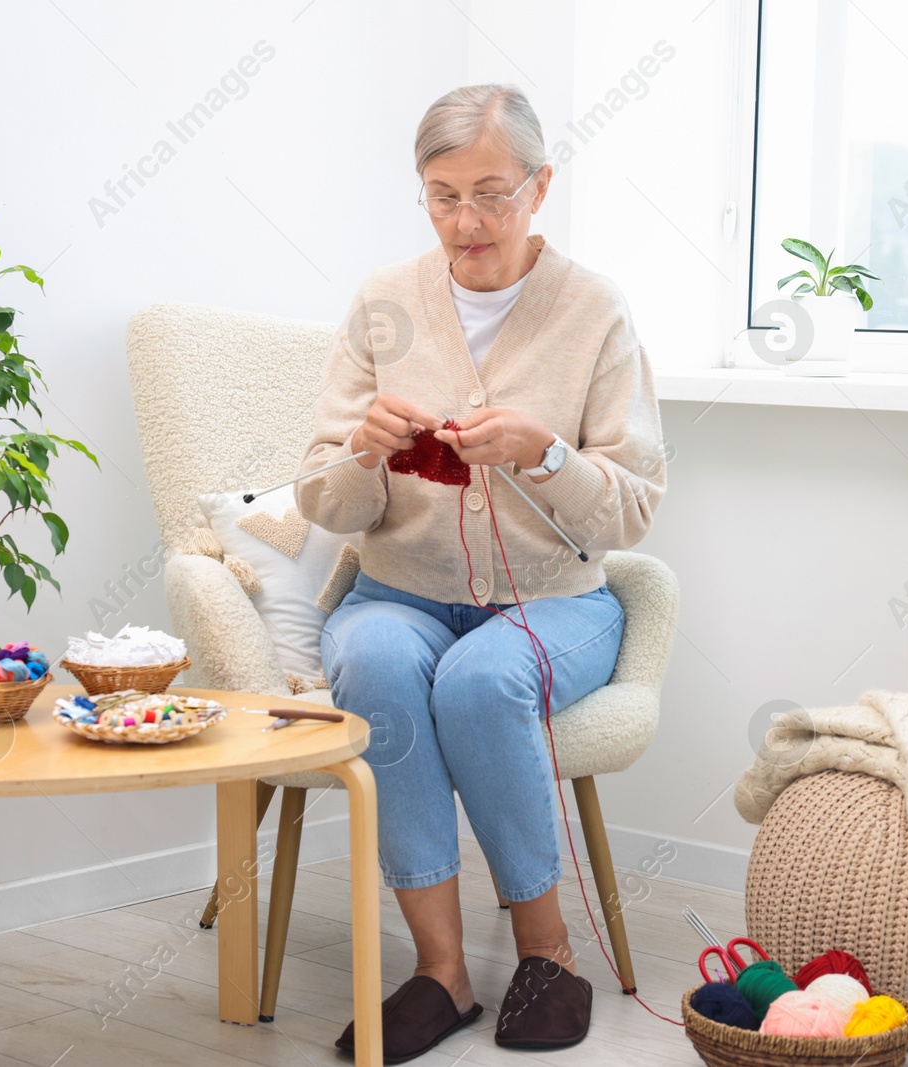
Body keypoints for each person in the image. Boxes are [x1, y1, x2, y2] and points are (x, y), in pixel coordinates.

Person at [295, 83, 666, 1062]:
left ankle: (549, 956)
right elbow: (323, 504)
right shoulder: (382, 304)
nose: (467, 221)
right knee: (373, 662)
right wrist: (362, 454)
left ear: (541, 187)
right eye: (442, 194)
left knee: (481, 676)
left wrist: (547, 454)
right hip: (396, 593)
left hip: (555, 602)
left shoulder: (595, 310)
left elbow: (632, 506)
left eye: (492, 193)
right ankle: (440, 972)